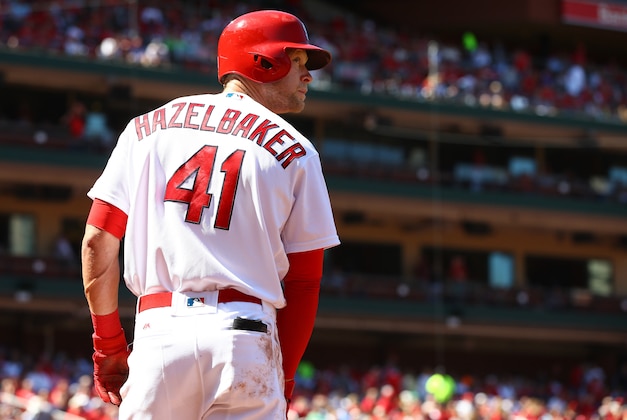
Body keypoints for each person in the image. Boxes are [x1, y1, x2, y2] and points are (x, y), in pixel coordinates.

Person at [80, 9, 340, 419]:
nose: (308, 76)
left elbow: (98, 239)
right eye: (298, 62)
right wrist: (284, 378)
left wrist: (108, 343)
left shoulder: (146, 127)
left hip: (159, 333)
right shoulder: (297, 149)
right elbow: (304, 282)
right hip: (246, 336)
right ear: (263, 62)